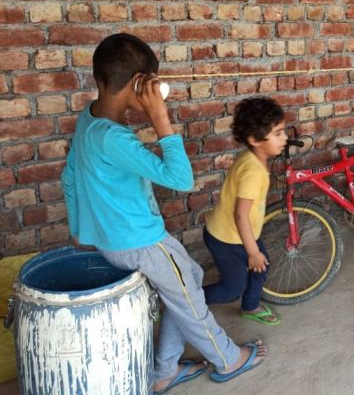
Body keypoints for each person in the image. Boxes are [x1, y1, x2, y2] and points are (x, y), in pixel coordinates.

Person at [61, 33, 267, 394]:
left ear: (99, 78)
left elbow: (69, 177)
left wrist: (80, 230)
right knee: (190, 301)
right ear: (141, 84)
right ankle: (228, 359)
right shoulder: (115, 138)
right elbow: (181, 178)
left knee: (191, 276)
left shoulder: (88, 121)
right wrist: (160, 118)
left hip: (117, 240)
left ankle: (166, 370)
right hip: (143, 242)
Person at [203, 97, 288, 324]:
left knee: (261, 266)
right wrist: (252, 252)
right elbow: (240, 215)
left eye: (283, 132)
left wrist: (254, 251)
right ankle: (186, 304)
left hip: (242, 233)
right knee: (231, 289)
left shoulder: (251, 157)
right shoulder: (253, 171)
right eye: (278, 133)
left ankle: (250, 307)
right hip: (227, 238)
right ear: (255, 139)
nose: (285, 138)